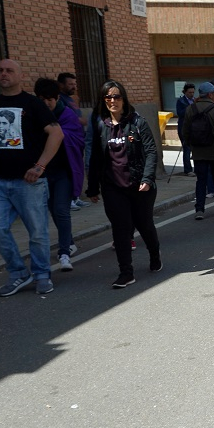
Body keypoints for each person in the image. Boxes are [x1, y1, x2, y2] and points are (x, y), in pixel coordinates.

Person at [0, 59, 63, 297]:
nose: (4, 74)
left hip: (29, 183)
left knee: (37, 232)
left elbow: (56, 133)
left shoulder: (32, 104)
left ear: (20, 76)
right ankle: (18, 273)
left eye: (9, 70)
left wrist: (40, 166)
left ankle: (42, 274)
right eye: (0, 70)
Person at [85, 81, 160, 288]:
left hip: (139, 185)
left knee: (145, 226)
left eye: (117, 97)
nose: (112, 101)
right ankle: (126, 272)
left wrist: (147, 179)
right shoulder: (100, 124)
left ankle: (155, 254)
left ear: (124, 99)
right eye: (108, 97)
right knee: (121, 229)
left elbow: (151, 152)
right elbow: (95, 158)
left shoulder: (138, 122)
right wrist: (92, 187)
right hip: (113, 186)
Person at [34, 78, 83, 272]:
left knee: (61, 210)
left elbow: (78, 139)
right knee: (53, 210)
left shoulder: (67, 115)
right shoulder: (33, 115)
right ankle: (69, 241)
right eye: (42, 99)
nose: (46, 104)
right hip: (43, 174)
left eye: (50, 100)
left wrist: (56, 133)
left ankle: (64, 253)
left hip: (64, 171)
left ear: (56, 99)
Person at [184, 82, 214, 221]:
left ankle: (199, 209)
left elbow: (185, 131)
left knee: (201, 180)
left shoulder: (191, 109)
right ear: (210, 94)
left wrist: (191, 145)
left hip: (198, 152)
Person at [55, 72, 90, 210]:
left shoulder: (71, 99)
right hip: (68, 141)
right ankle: (68, 199)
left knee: (77, 169)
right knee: (70, 169)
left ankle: (75, 197)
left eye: (75, 84)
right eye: (70, 84)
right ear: (61, 85)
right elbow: (67, 118)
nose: (74, 87)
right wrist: (84, 121)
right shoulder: (59, 100)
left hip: (78, 139)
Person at [174, 83, 196, 175]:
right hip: (184, 128)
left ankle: (196, 168)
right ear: (185, 92)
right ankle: (188, 170)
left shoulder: (195, 100)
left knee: (194, 149)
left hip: (194, 128)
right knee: (186, 149)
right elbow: (180, 113)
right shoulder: (181, 101)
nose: (191, 94)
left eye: (193, 92)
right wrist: (190, 107)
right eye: (190, 92)